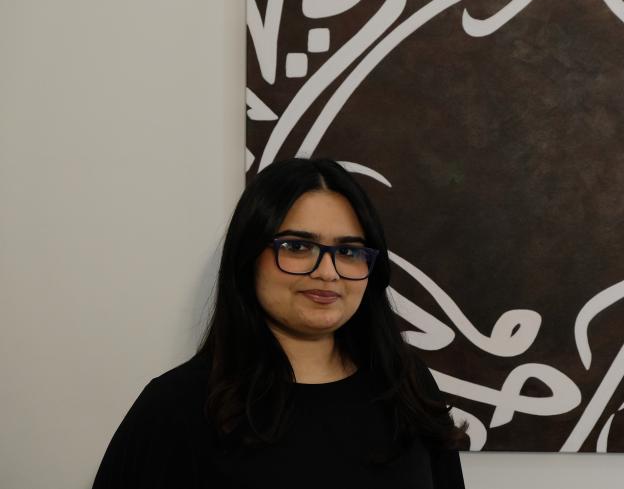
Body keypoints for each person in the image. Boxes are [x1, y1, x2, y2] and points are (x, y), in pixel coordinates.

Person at [93, 158, 467, 488]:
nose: (327, 272)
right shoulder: (176, 408)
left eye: (349, 251)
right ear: (249, 255)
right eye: (297, 247)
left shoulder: (409, 388)